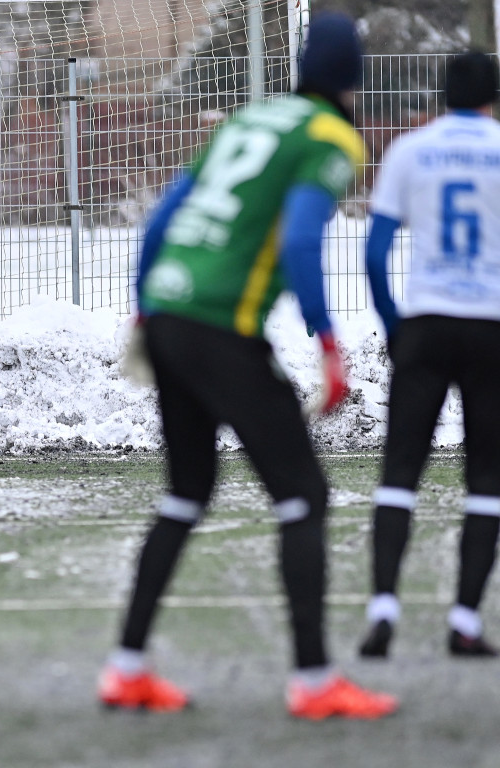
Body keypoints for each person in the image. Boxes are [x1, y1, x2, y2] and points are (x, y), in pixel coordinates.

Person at [98, 13, 397, 719]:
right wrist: (327, 341)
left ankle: (126, 667)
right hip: (221, 327)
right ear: (353, 80)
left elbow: (163, 216)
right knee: (303, 497)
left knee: (187, 492)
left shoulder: (249, 119)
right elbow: (298, 243)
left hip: (170, 313)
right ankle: (316, 683)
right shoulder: (330, 137)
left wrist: (146, 309)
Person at [358, 51, 500, 659]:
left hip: (426, 322)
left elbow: (374, 252)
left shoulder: (410, 150)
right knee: (487, 482)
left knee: (399, 474)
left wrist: (396, 326)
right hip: (490, 327)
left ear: (443, 95)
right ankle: (465, 620)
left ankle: (384, 609)